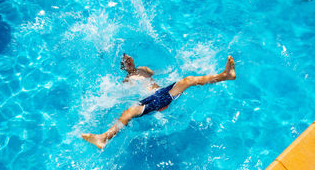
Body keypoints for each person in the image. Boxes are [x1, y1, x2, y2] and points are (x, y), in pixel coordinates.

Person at [81, 54, 236, 149]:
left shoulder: (143, 69)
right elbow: (123, 94)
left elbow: (154, 74)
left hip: (161, 93)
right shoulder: (126, 80)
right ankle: (103, 138)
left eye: (128, 58)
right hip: (151, 100)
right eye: (124, 61)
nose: (127, 60)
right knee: (129, 112)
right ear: (123, 67)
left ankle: (225, 75)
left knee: (188, 80)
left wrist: (142, 70)